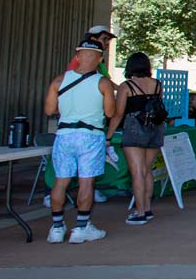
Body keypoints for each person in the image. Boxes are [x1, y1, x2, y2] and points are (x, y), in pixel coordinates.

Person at [43, 39, 116, 243]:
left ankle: (57, 228)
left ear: (77, 57)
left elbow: (49, 110)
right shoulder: (103, 83)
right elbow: (110, 112)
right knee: (86, 183)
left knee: (61, 181)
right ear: (100, 59)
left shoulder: (59, 81)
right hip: (91, 135)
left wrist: (68, 111)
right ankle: (81, 227)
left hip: (64, 135)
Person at [105, 52, 165, 226]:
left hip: (134, 128)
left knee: (137, 172)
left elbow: (118, 114)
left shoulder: (126, 86)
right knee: (147, 170)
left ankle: (139, 213)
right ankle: (147, 208)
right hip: (155, 127)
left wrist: (108, 135)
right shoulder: (157, 85)